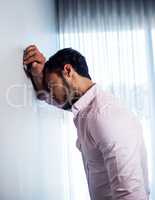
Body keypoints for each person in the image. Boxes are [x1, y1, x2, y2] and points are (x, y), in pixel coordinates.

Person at [23, 45, 150, 200]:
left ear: (68, 71)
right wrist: (37, 75)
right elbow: (48, 97)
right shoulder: (86, 108)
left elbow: (130, 195)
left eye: (51, 86)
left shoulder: (103, 117)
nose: (51, 93)